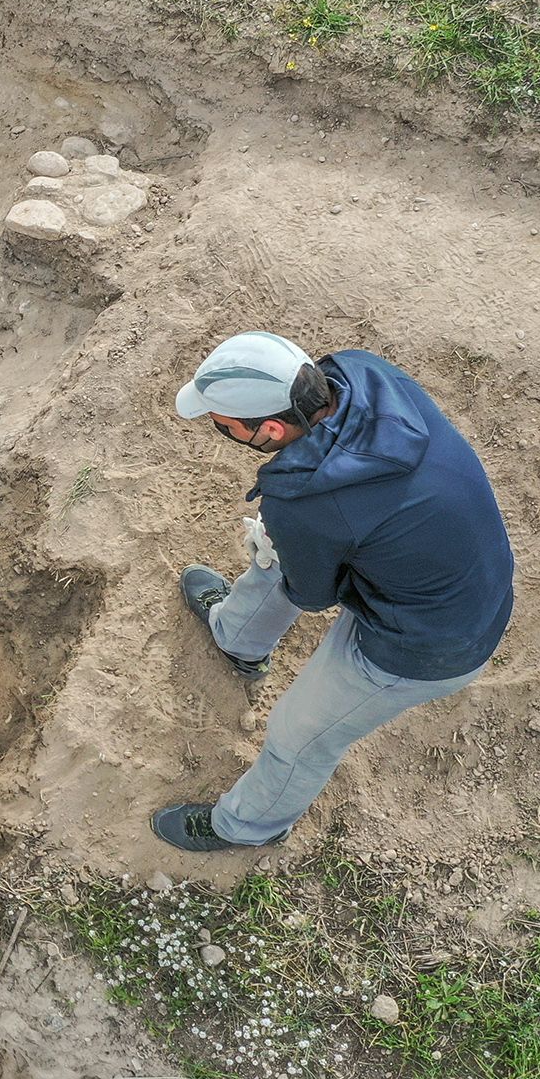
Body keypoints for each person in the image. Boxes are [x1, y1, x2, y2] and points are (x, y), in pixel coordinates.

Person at [154, 331, 514, 852]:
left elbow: (311, 592)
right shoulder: (363, 372)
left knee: (298, 738)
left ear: (270, 429)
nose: (218, 429)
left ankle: (249, 826)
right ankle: (238, 639)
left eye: (223, 426)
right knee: (281, 547)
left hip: (429, 641)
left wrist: (294, 536)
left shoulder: (307, 502)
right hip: (460, 569)